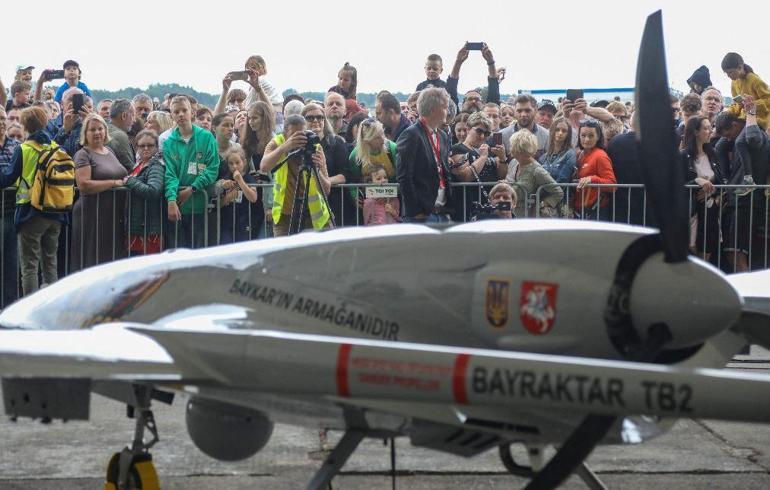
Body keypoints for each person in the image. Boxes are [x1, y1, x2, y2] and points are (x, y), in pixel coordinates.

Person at [0, 107, 67, 296]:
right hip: (56, 211)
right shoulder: (54, 146)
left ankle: (30, 310)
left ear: (24, 125)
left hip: (31, 212)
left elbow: (7, 179)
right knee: (50, 264)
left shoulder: (24, 148)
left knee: (29, 267)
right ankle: (50, 307)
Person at [715, 96, 769, 272]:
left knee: (736, 252)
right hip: (741, 201)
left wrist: (749, 114)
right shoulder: (738, 139)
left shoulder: (753, 135)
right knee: (735, 252)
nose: (728, 139)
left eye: (728, 134)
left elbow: (754, 139)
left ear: (736, 126)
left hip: (745, 203)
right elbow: (720, 147)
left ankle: (746, 296)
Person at [71, 113, 128, 272]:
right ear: (85, 133)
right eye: (92, 130)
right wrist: (113, 183)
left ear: (105, 131)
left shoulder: (109, 150)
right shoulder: (83, 154)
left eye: (100, 128)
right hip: (91, 215)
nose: (97, 133)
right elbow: (84, 185)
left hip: (112, 215)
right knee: (91, 259)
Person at [260, 114, 332, 236]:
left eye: (302, 135)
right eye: (294, 136)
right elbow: (264, 167)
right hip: (284, 216)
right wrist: (284, 148)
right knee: (285, 254)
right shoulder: (277, 143)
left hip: (313, 216)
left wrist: (316, 169)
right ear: (284, 134)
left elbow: (326, 189)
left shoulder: (314, 147)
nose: (299, 140)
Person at [164, 95, 220, 249]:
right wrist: (171, 200)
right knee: (178, 254)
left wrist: (192, 188)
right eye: (176, 112)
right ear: (172, 116)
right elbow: (170, 173)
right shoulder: (168, 143)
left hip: (200, 206)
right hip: (178, 208)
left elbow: (213, 168)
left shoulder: (207, 137)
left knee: (198, 254)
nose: (181, 114)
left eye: (184, 110)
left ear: (192, 112)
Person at [396, 88, 454, 222]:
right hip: (421, 214)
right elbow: (404, 176)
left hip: (442, 211)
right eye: (445, 107)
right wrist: (415, 210)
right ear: (434, 109)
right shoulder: (411, 135)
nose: (448, 111)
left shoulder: (443, 136)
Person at [447, 112, 507, 221]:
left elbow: (501, 175)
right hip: (468, 206)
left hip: (489, 206)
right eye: (479, 131)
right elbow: (465, 177)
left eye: (487, 133)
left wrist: (502, 159)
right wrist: (483, 158)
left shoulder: (490, 150)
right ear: (468, 128)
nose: (482, 136)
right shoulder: (457, 149)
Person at [302, 103, 354, 226]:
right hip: (304, 205)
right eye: (310, 118)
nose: (316, 120)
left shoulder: (336, 142)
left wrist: (323, 182)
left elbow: (345, 175)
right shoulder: (298, 143)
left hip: (332, 202)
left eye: (320, 117)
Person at [682, 116, 722, 261]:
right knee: (691, 249)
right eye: (705, 128)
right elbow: (676, 184)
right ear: (695, 132)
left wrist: (716, 198)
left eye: (710, 127)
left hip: (710, 210)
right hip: (691, 211)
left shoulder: (713, 154)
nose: (710, 131)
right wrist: (696, 180)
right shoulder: (683, 156)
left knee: (707, 247)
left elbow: (721, 181)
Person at [124, 129, 165, 255]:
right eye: (142, 145)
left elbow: (153, 191)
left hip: (149, 228)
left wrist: (130, 181)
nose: (146, 148)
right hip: (137, 226)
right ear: (137, 147)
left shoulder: (156, 166)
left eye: (150, 145)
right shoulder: (139, 164)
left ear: (157, 147)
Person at [506, 129, 563, 218]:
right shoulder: (513, 163)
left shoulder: (537, 170)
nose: (510, 148)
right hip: (511, 215)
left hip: (529, 219)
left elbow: (558, 192)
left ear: (518, 149)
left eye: (512, 146)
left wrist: (541, 205)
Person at [572, 119, 617, 220]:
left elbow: (612, 185)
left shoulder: (600, 156)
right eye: (583, 135)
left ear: (598, 137)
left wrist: (592, 179)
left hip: (595, 212)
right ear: (579, 136)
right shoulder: (579, 154)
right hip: (579, 211)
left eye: (591, 136)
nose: (587, 139)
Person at [215, 147, 259, 243]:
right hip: (227, 223)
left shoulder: (249, 178)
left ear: (244, 162)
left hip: (244, 223)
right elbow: (217, 204)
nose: (235, 166)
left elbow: (253, 198)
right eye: (231, 163)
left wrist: (240, 180)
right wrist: (228, 197)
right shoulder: (225, 179)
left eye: (237, 162)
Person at [0, 107, 20, 305]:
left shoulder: (16, 146)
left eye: (3, 118)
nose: (2, 122)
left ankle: (10, 305)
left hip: (11, 211)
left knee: (12, 263)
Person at [722, 52, 770, 131]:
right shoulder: (734, 83)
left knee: (739, 142)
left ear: (740, 67)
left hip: (759, 121)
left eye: (730, 72)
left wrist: (753, 104)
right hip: (743, 119)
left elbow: (768, 99)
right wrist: (728, 112)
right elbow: (737, 104)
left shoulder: (754, 80)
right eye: (726, 73)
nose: (728, 76)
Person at [446, 43, 501, 108]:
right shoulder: (456, 117)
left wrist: (491, 62)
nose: (473, 102)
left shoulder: (488, 116)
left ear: (483, 104)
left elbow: (493, 94)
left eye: (477, 99)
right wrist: (458, 61)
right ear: (463, 104)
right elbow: (451, 89)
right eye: (470, 99)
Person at [500, 94, 550, 160]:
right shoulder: (502, 135)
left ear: (535, 110)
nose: (523, 114)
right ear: (515, 111)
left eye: (527, 110)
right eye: (519, 111)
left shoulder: (547, 136)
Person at [54, 88, 93, 158]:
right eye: (71, 99)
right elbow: (50, 150)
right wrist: (64, 130)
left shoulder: (89, 123)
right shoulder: (51, 124)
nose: (74, 102)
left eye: (79, 99)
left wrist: (89, 125)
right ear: (62, 104)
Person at [540, 117, 577, 184]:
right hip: (543, 193)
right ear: (552, 131)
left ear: (568, 134)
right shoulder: (543, 157)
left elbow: (563, 179)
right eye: (557, 129)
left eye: (564, 131)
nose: (560, 133)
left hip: (561, 193)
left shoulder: (570, 154)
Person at [107, 99, 136, 172]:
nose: (134, 120)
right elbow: (130, 168)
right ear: (124, 116)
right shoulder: (120, 136)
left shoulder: (103, 129)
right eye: (132, 115)